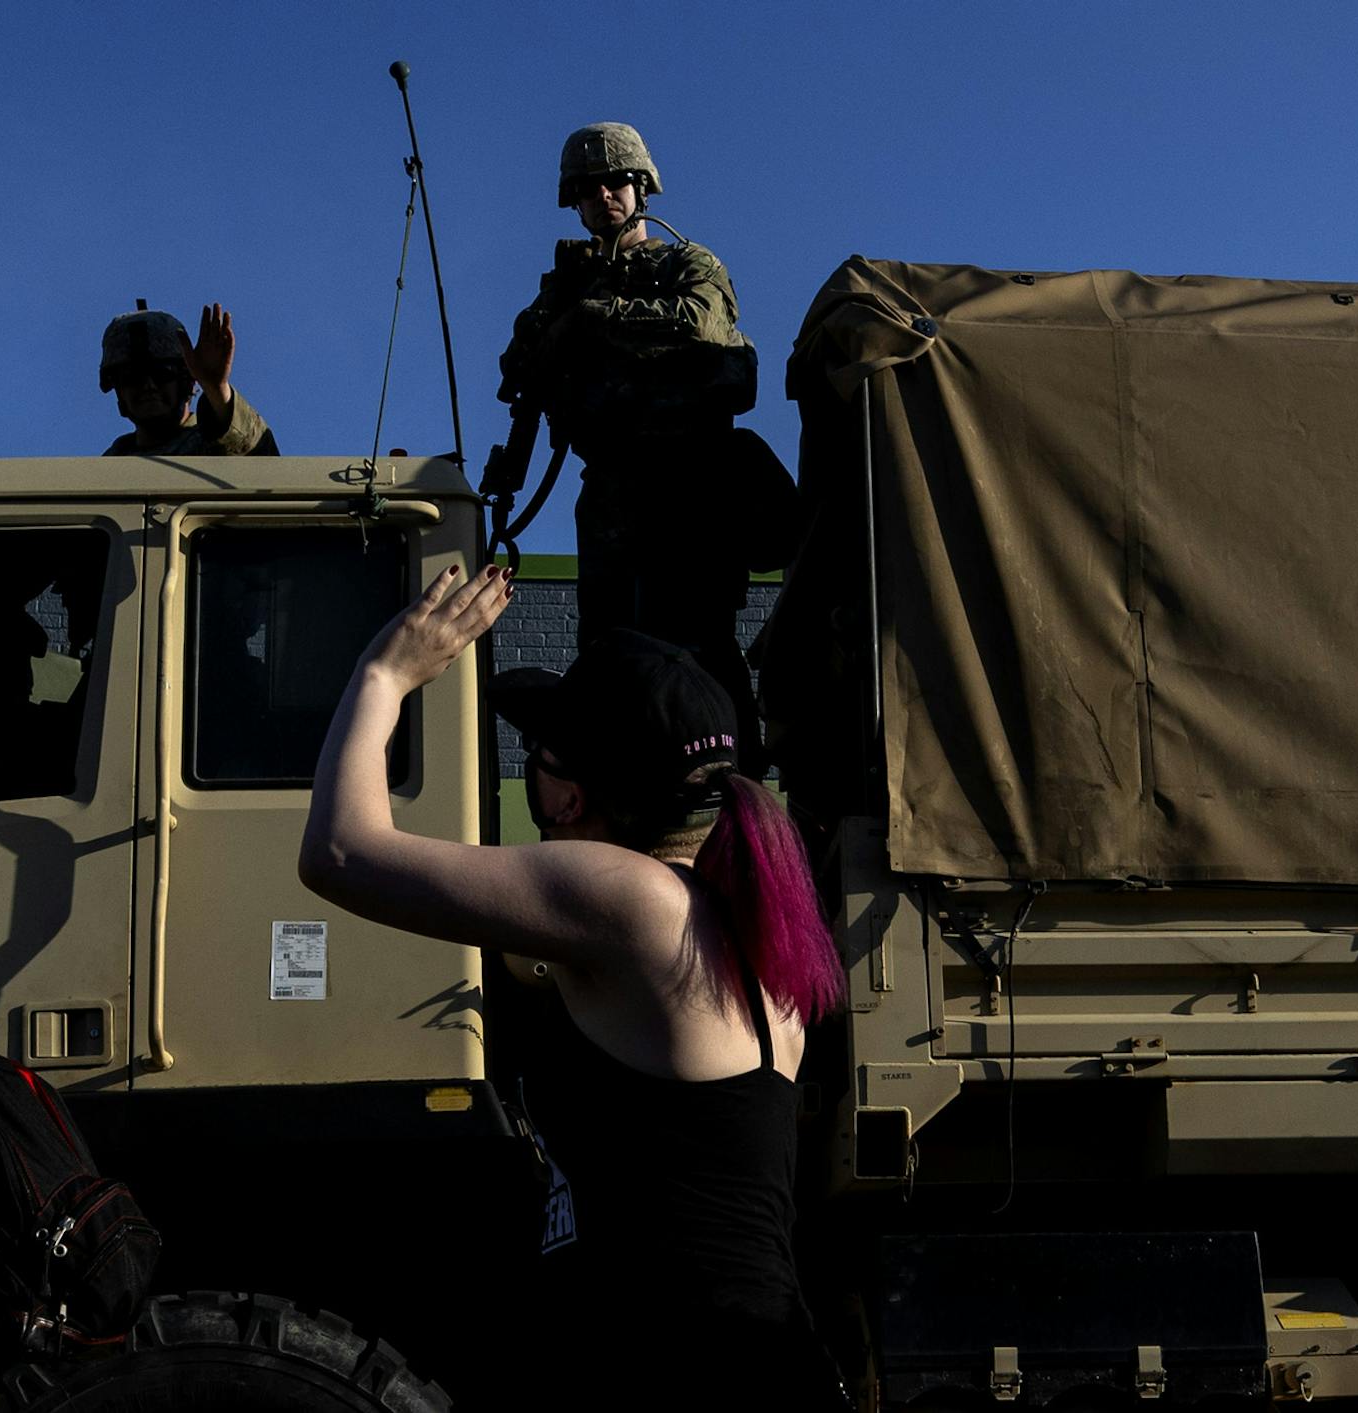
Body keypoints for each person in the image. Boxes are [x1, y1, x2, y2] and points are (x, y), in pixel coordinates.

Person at [297, 565, 849, 1410]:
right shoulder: (737, 932)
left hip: (696, 1370)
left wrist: (384, 675)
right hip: (746, 1362)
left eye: (539, 757)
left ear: (571, 792)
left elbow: (339, 851)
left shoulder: (633, 902)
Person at [496, 122, 785, 768]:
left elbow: (703, 324)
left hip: (690, 488)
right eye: (588, 188)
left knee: (696, 651)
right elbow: (519, 371)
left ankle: (734, 789)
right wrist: (554, 326)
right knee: (609, 656)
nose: (604, 196)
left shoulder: (686, 264)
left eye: (616, 182)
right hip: (609, 495)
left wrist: (596, 318)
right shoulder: (563, 290)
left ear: (642, 187)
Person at [100, 299, 278, 456]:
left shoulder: (215, 444)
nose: (148, 386)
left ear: (187, 381)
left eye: (163, 373)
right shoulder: (109, 466)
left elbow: (257, 454)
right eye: (132, 378)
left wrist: (216, 389)